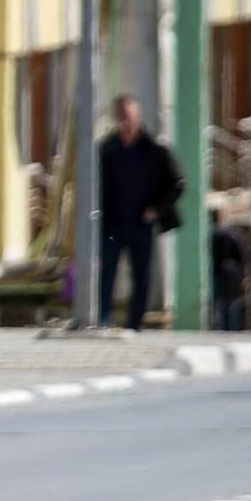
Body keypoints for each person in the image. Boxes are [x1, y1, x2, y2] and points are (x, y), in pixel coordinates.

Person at [97, 94, 184, 331]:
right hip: (113, 224)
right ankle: (103, 319)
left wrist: (156, 209)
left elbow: (177, 182)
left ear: (138, 117)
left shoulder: (153, 148)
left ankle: (135, 324)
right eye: (121, 117)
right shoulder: (108, 148)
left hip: (140, 225)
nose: (125, 122)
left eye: (129, 116)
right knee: (106, 274)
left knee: (141, 276)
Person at [210, 202, 247, 332]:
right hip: (231, 274)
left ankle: (217, 328)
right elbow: (241, 256)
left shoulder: (210, 233)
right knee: (230, 304)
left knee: (216, 303)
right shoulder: (233, 234)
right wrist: (244, 275)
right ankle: (230, 329)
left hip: (216, 272)